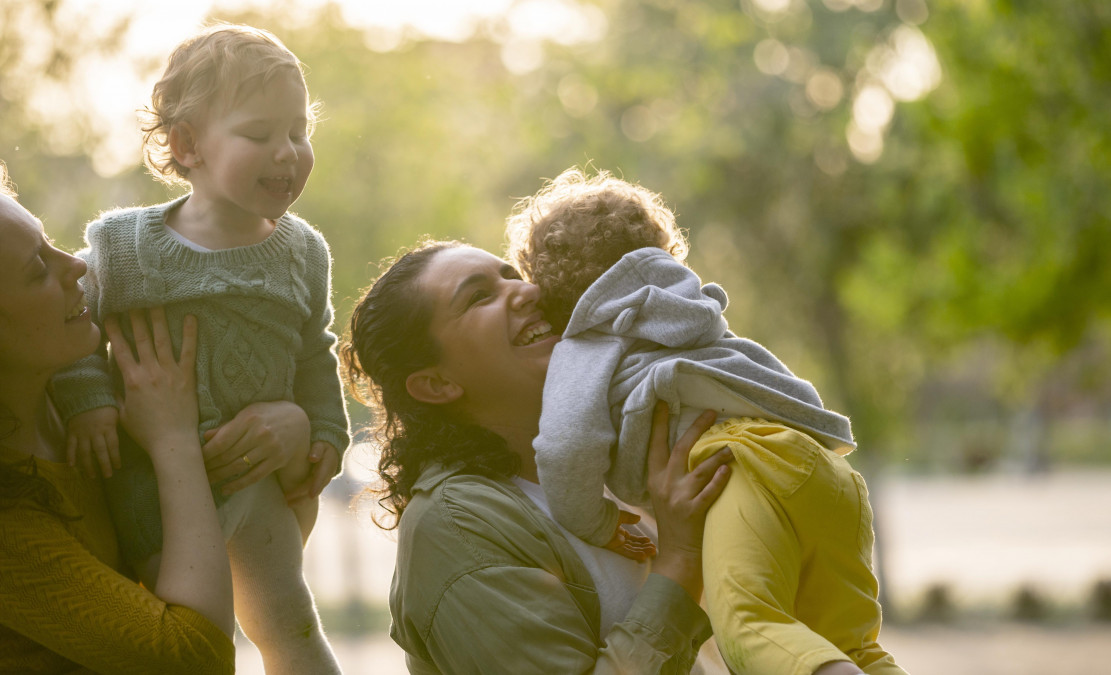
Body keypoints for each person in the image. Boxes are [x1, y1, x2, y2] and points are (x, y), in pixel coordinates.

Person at [505, 168, 906, 675]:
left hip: (739, 472)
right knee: (848, 645)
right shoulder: (695, 308)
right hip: (820, 468)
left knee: (750, 630)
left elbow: (566, 445)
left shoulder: (587, 341)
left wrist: (598, 522)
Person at [49, 24, 348, 672]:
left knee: (290, 622)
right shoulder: (123, 246)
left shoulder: (303, 251)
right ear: (187, 145)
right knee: (188, 636)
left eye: (298, 131)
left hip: (255, 478)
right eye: (259, 134)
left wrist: (325, 426)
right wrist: (89, 403)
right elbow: (75, 325)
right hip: (152, 485)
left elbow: (313, 351)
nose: (287, 152)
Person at [341, 239, 736, 674]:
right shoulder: (455, 529)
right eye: (479, 297)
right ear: (436, 384)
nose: (528, 291)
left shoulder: (616, 457)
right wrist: (679, 555)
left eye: (511, 275)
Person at [0, 149, 234, 672]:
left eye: (49, 243)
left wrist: (289, 425)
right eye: (38, 269)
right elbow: (193, 659)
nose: (76, 265)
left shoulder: (83, 402)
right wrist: (174, 440)